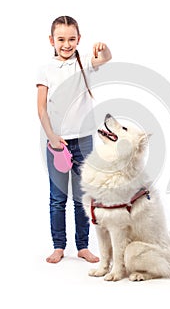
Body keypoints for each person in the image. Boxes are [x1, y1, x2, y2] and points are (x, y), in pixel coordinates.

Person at [36, 16, 112, 263]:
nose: (66, 44)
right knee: (58, 197)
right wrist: (53, 138)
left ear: (78, 39)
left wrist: (104, 48)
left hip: (84, 141)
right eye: (61, 39)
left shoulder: (84, 64)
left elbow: (106, 58)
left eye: (71, 39)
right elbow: (41, 109)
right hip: (57, 143)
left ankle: (83, 246)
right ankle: (59, 246)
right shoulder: (46, 70)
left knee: (82, 197)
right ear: (51, 41)